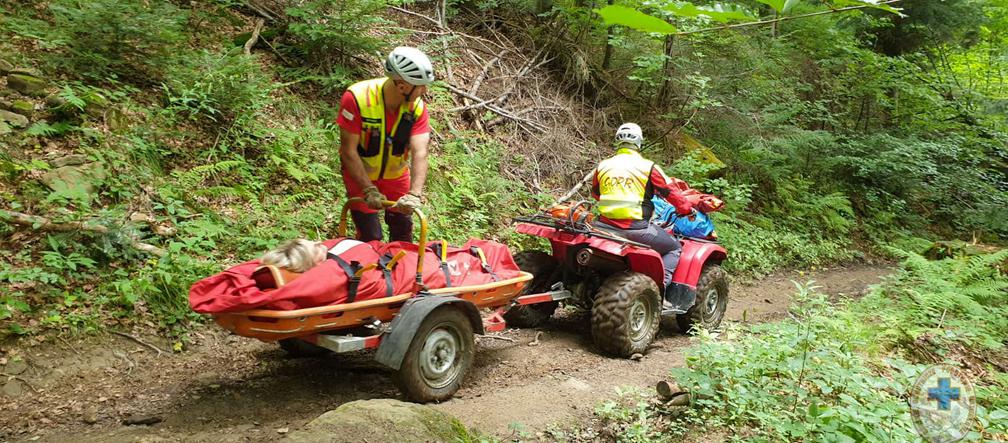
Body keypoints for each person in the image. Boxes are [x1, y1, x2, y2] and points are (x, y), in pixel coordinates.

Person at [336, 46, 435, 242]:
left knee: (402, 234)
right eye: (421, 85)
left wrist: (415, 194)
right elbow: (348, 151)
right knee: (371, 236)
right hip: (360, 175)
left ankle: (397, 270)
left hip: (396, 177)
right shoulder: (357, 98)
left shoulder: (417, 108)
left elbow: (420, 152)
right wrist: (368, 188)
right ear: (401, 86)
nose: (425, 91)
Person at [591, 123, 695, 300]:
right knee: (674, 248)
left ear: (617, 141)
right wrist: (686, 210)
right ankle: (658, 291)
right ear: (639, 142)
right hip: (635, 229)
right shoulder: (648, 167)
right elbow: (671, 193)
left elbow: (596, 193)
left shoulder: (604, 165)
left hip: (602, 226)